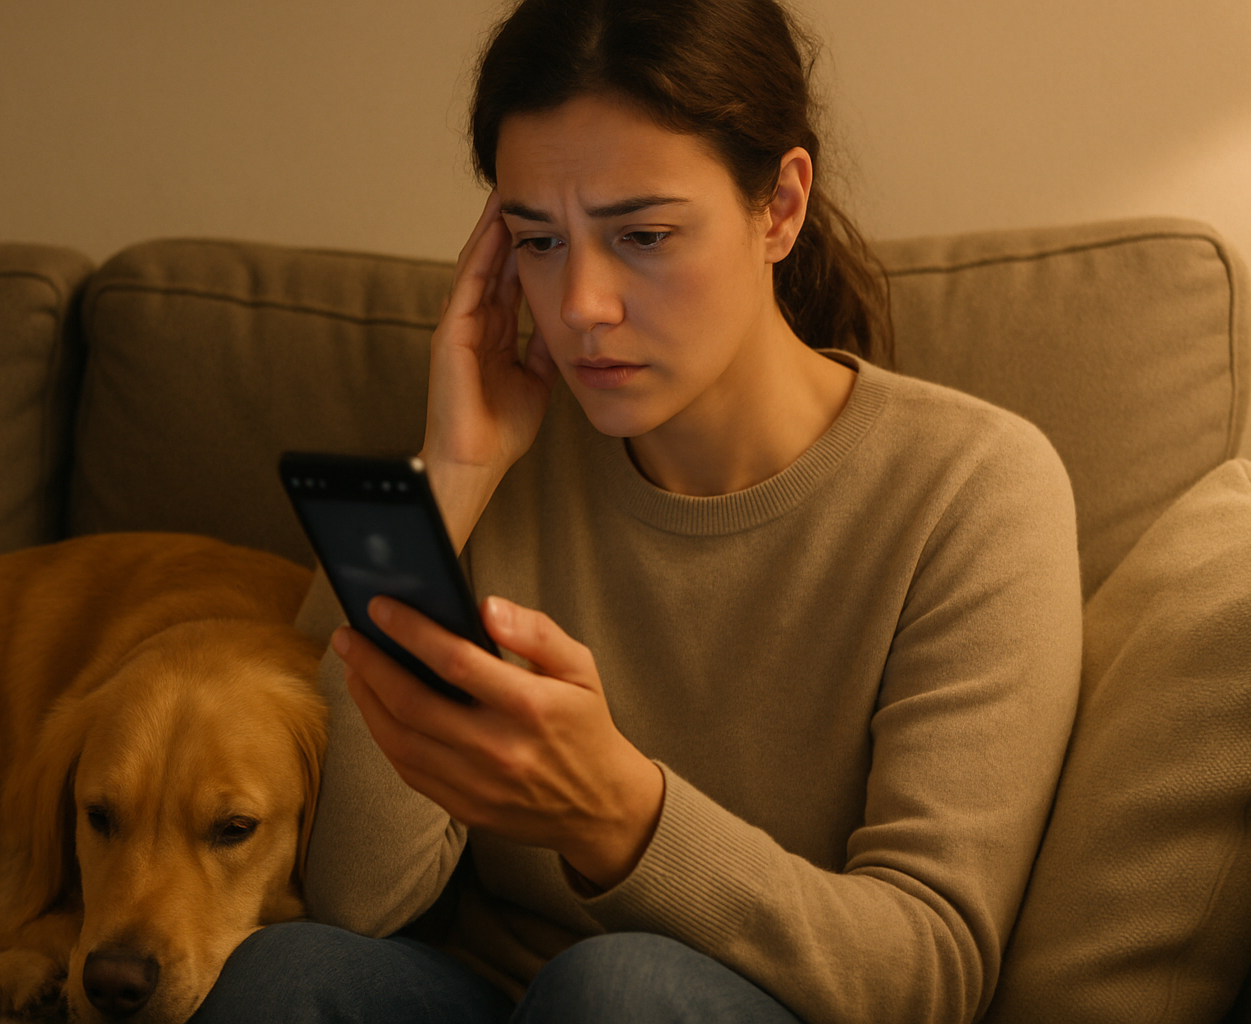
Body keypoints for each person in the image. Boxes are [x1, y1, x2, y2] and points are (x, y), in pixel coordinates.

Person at [192, 0, 1082, 1021]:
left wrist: (619, 811)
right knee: (287, 974)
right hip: (485, 995)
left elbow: (926, 970)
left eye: (644, 234)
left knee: (617, 990)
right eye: (537, 240)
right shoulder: (503, 452)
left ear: (780, 206)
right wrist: (449, 476)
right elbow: (357, 897)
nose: (580, 306)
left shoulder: (973, 489)